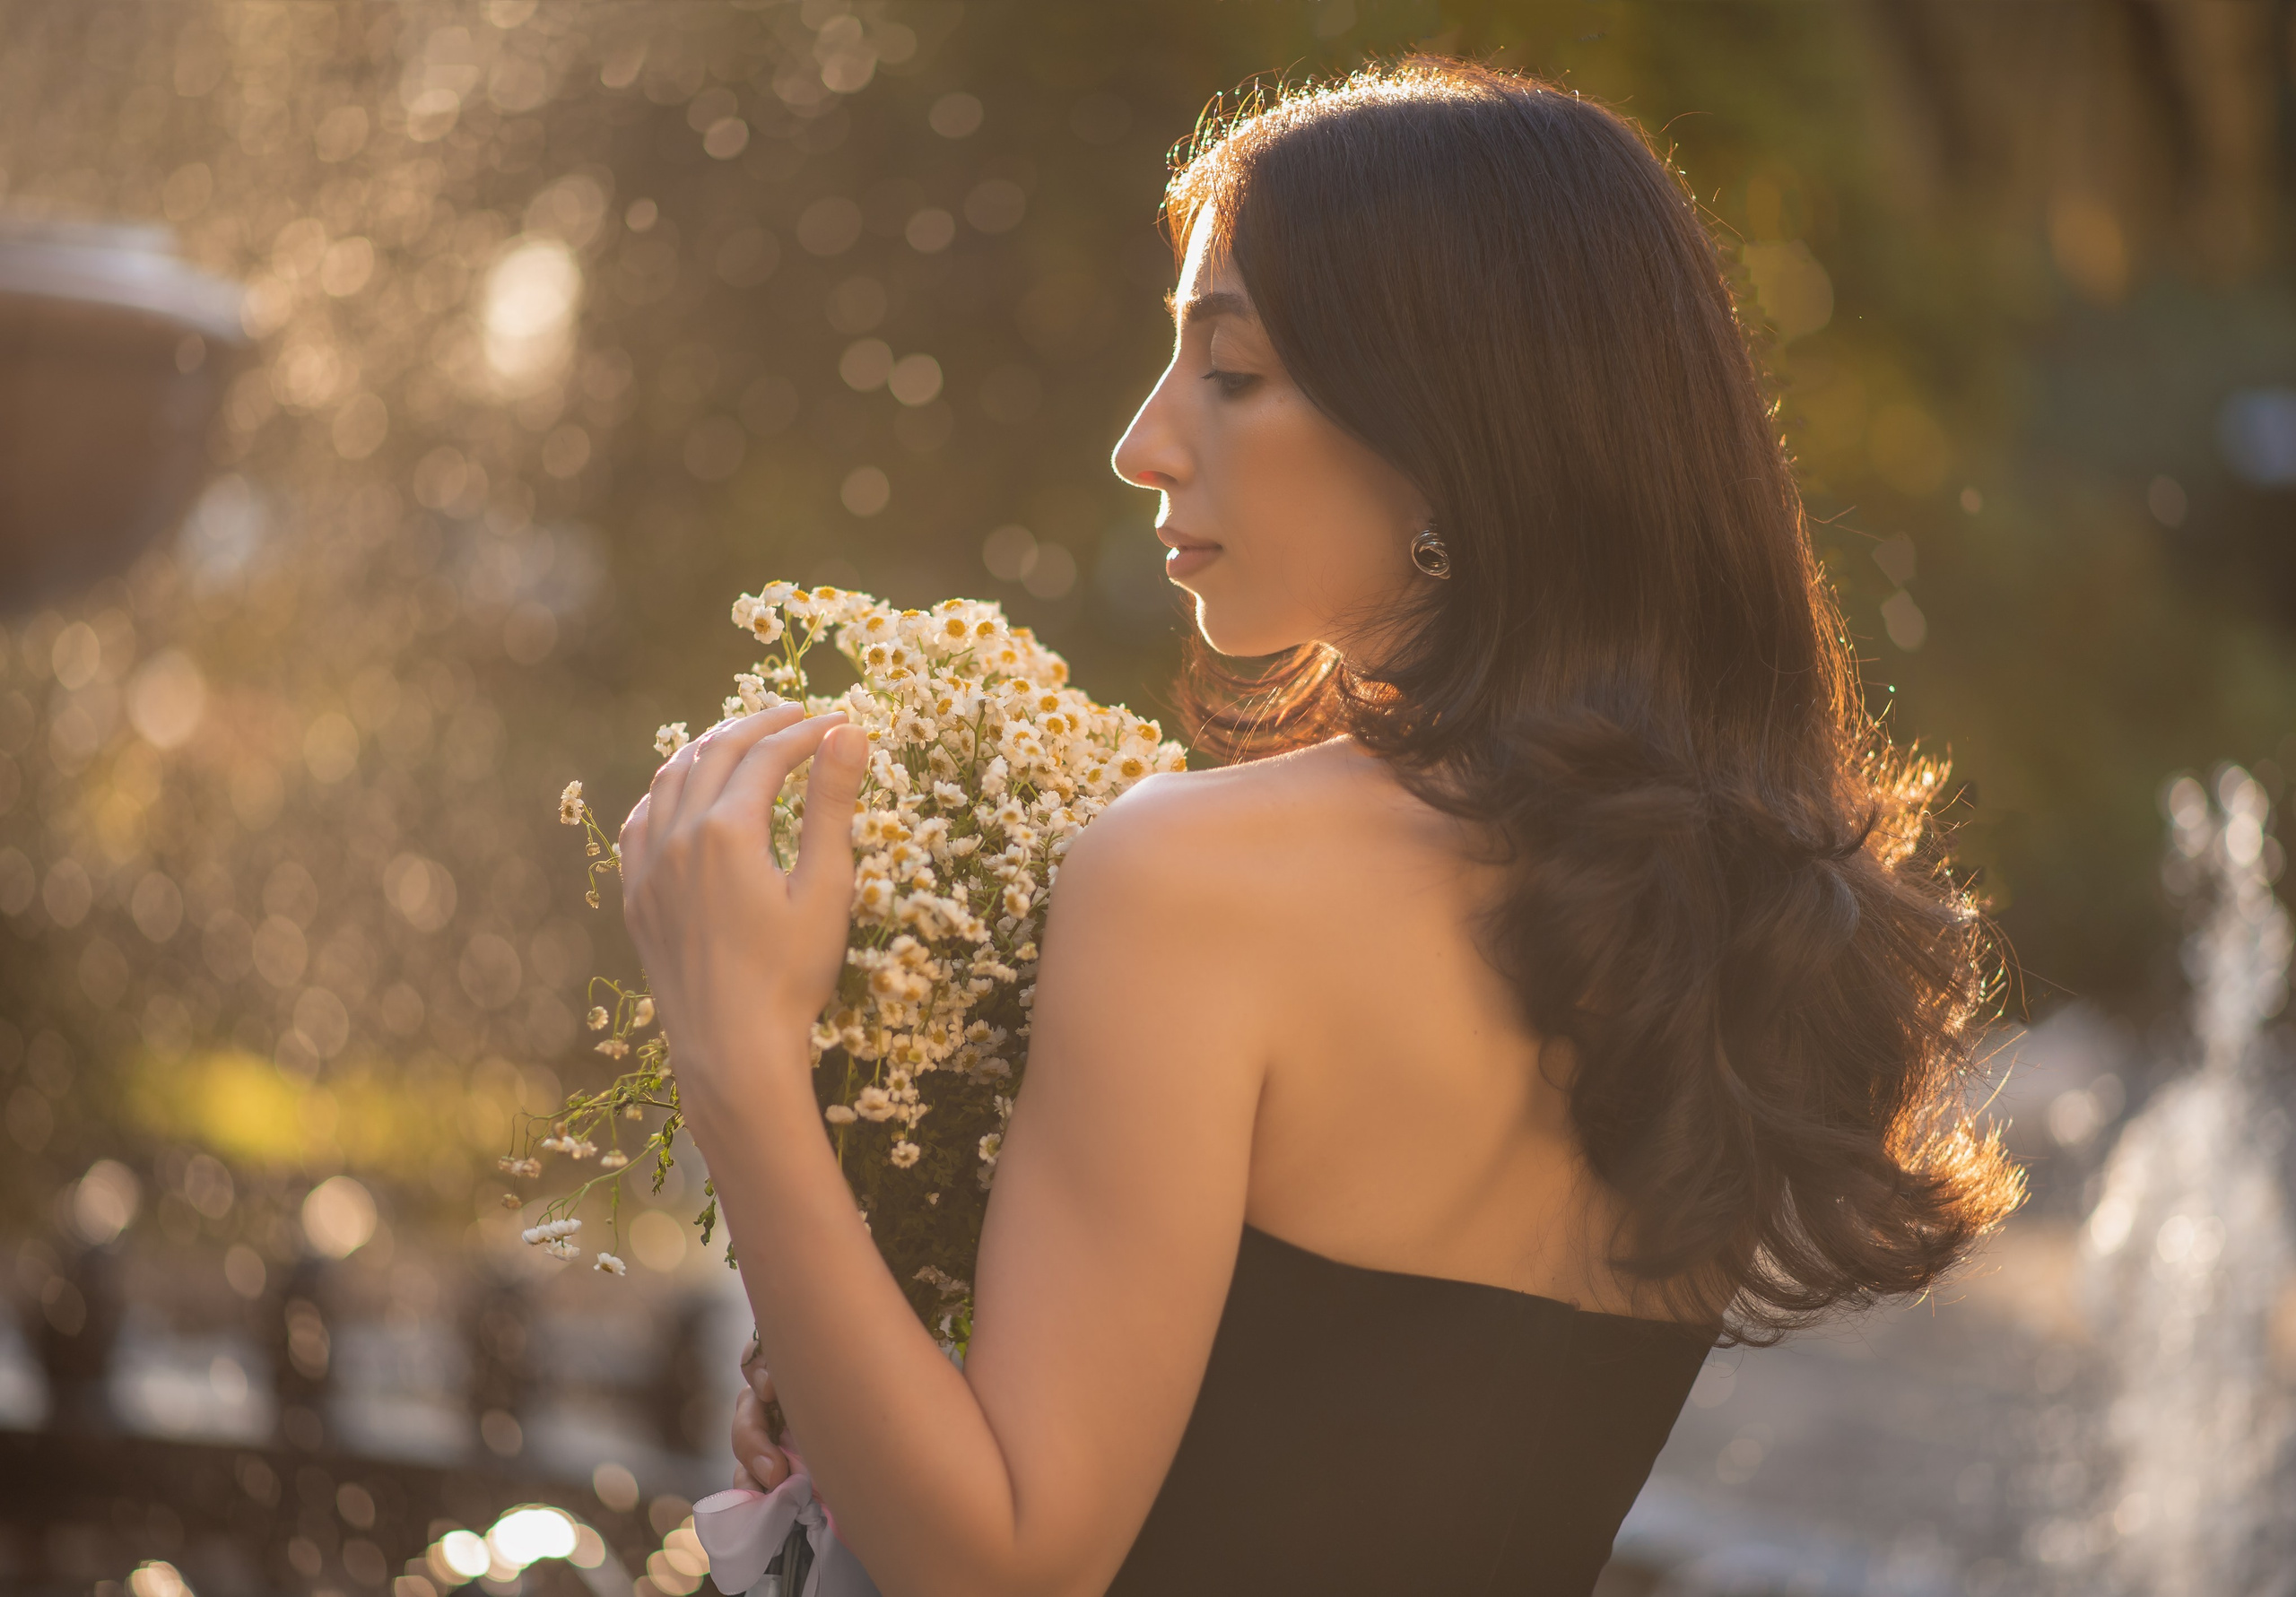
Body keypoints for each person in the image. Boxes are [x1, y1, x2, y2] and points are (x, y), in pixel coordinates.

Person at [617, 55, 2024, 1597]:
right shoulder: (1719, 908)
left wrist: (741, 1063)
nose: (1144, 441)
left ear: (1452, 429)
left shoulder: (1196, 880)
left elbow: (1007, 1563)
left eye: (1231, 370)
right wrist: (864, 1358)